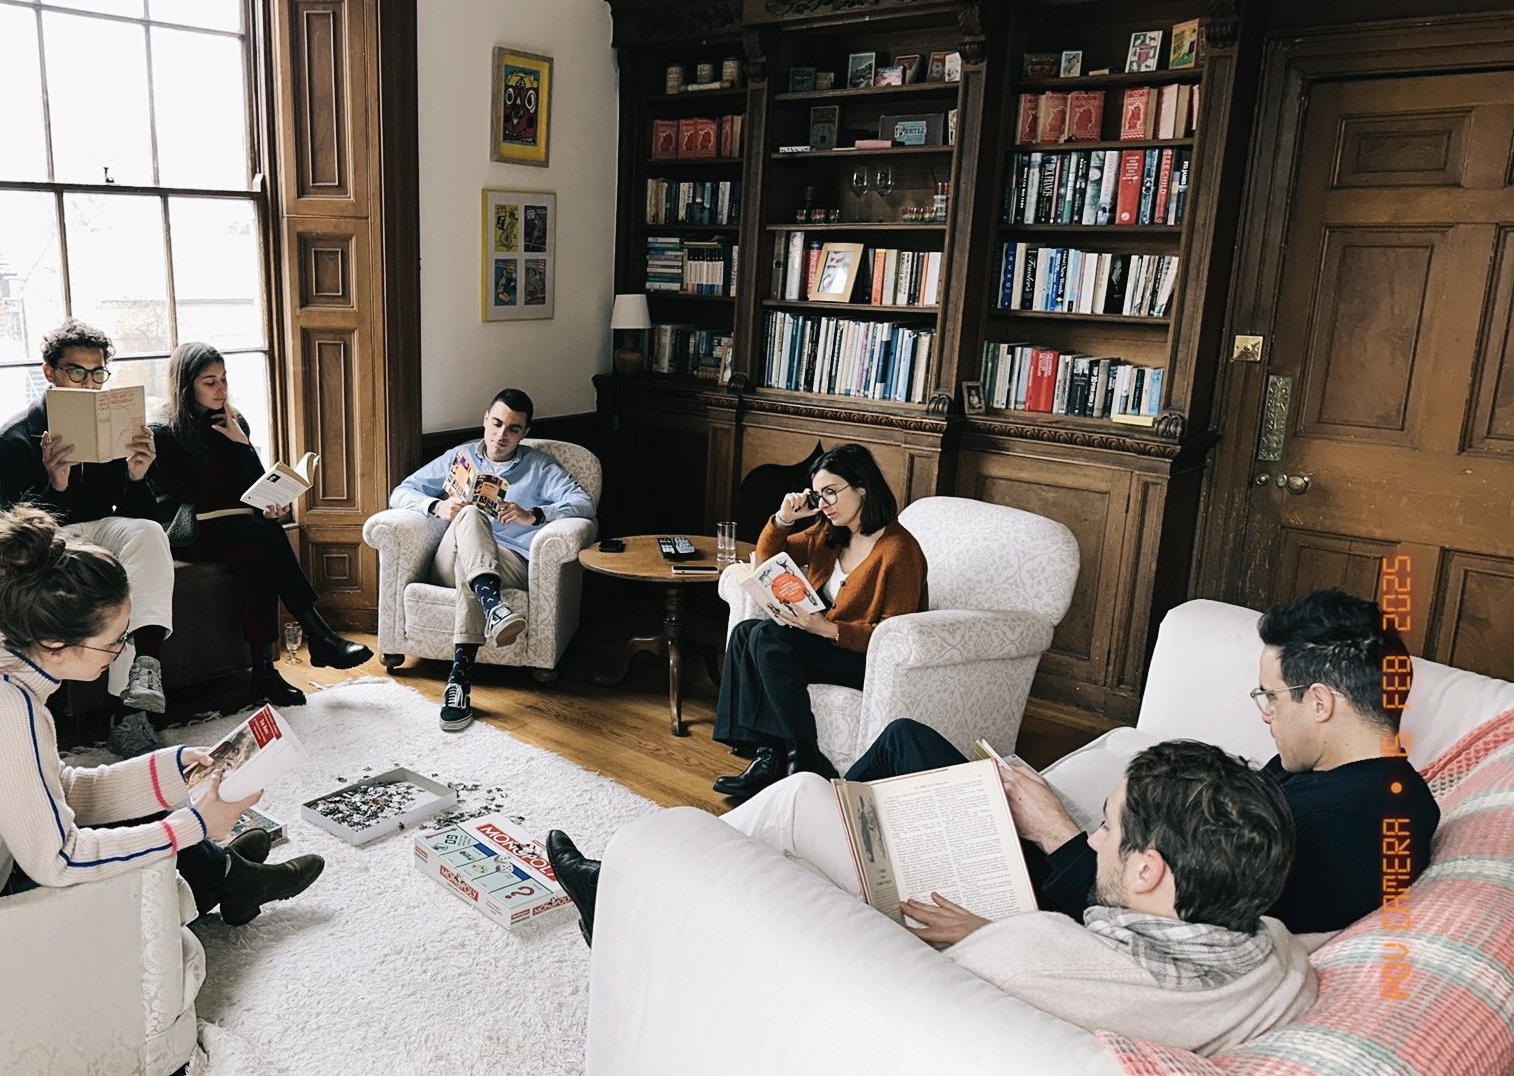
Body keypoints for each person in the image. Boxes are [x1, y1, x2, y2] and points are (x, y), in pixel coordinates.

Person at [551, 740, 1318, 1057]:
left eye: (1109, 829)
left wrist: (994, 931)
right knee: (815, 796)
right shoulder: (1273, 952)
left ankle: (622, 887)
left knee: (799, 804)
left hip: (911, 959)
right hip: (1007, 937)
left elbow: (934, 963)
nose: (1092, 841)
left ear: (1149, 871)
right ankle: (619, 884)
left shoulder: (1036, 955)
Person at [827, 587, 1440, 934]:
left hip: (1066, 906)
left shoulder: (1336, 828)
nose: (1264, 712)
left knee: (886, 776)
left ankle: (809, 860)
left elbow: (1137, 915)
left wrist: (1057, 832)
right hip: (1099, 862)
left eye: (1272, 696)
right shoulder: (1366, 784)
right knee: (910, 742)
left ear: (1324, 702)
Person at [0, 507, 324, 926]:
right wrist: (195, 824)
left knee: (142, 815)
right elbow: (60, 860)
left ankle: (224, 876)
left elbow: (58, 790)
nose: (123, 650)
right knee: (131, 857)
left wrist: (172, 770)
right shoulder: (5, 707)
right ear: (57, 643)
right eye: (116, 639)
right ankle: (224, 881)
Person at [150, 342, 372, 708]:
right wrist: (242, 479)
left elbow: (249, 487)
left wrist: (254, 467)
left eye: (223, 379)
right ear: (186, 387)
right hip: (186, 527)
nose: (221, 389)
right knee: (259, 536)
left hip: (235, 528)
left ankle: (264, 673)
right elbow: (197, 493)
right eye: (210, 383)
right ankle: (317, 634)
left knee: (257, 551)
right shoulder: (164, 433)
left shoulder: (234, 422)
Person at [0, 319, 169, 758]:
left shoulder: (109, 427)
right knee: (109, 577)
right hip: (51, 540)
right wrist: (57, 484)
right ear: (49, 373)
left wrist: (138, 476)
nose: (89, 383)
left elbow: (137, 517)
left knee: (147, 533)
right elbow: (22, 534)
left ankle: (143, 669)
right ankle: (129, 715)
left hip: (101, 531)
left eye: (97, 373)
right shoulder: (10, 442)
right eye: (76, 372)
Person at [711, 443, 927, 799]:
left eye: (831, 493)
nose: (824, 504)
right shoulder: (829, 534)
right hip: (821, 644)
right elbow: (768, 557)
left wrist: (825, 628)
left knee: (765, 635)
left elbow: (893, 637)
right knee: (747, 632)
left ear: (862, 488)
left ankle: (800, 756)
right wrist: (783, 519)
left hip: (862, 659)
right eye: (818, 494)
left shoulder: (899, 551)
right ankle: (769, 755)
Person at [389, 389, 595, 732]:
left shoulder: (540, 466)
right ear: (485, 419)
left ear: (524, 433)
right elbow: (400, 492)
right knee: (469, 514)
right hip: (449, 558)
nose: (502, 434)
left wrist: (535, 515)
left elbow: (583, 504)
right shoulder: (460, 456)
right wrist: (436, 506)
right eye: (496, 423)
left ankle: (459, 682)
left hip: (509, 562)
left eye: (513, 428)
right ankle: (494, 607)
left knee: (473, 568)